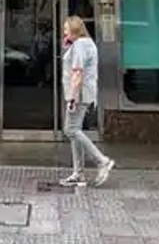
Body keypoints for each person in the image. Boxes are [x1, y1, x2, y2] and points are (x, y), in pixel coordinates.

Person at [60, 15, 115, 187]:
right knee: (75, 132)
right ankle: (79, 173)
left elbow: (77, 73)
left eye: (67, 30)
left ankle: (102, 161)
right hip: (86, 92)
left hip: (79, 93)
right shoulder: (87, 43)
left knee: (70, 129)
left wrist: (72, 98)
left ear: (75, 30)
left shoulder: (80, 45)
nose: (64, 32)